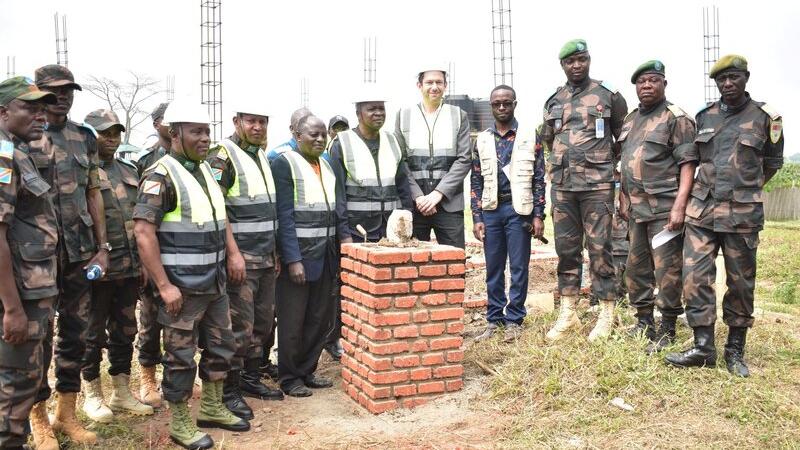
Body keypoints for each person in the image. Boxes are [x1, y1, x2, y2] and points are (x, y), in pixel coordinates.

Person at [133, 100, 249, 449]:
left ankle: (212, 407)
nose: (205, 138)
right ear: (174, 133)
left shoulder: (205, 172)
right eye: (196, 131)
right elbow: (143, 232)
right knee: (180, 357)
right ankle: (181, 422)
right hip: (181, 287)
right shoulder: (160, 175)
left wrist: (233, 253)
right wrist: (164, 286)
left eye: (207, 131)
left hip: (214, 282)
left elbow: (220, 215)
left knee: (221, 346)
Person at [666, 55, 784, 377]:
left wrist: (744, 190)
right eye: (722, 79)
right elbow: (694, 160)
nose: (727, 84)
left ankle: (735, 350)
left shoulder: (765, 118)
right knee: (694, 278)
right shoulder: (705, 117)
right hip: (702, 213)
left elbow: (772, 164)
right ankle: (703, 346)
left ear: (746, 77)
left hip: (741, 216)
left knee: (741, 283)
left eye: (733, 77)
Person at [29, 64, 110, 446]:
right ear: (37, 92)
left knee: (76, 334)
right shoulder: (21, 135)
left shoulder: (84, 137)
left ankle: (66, 413)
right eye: (54, 91)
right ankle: (38, 418)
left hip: (78, 252)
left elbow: (93, 192)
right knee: (37, 338)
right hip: (36, 257)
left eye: (68, 90)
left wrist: (103, 247)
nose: (62, 97)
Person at [541, 40, 628, 342]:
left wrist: (603, 162)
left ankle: (606, 313)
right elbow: (550, 141)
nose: (576, 65)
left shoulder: (609, 95)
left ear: (589, 60)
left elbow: (624, 137)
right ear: (562, 65)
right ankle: (568, 313)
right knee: (566, 250)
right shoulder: (554, 100)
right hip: (563, 187)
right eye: (570, 61)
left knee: (600, 248)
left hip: (597, 186)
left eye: (581, 59)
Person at [207, 103, 284, 422]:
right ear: (236, 121)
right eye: (251, 121)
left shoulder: (260, 155)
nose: (257, 127)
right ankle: (229, 391)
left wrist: (275, 252)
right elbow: (217, 208)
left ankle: (252, 380)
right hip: (241, 260)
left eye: (263, 121)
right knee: (240, 327)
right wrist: (233, 253)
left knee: (263, 325)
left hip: (265, 258)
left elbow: (268, 210)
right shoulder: (222, 155)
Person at [617, 60, 697, 353]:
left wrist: (680, 206)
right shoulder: (629, 119)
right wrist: (622, 196)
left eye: (653, 80)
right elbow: (624, 163)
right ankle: (643, 322)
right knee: (635, 269)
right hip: (636, 212)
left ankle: (668, 327)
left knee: (668, 272)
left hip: (664, 210)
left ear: (664, 84)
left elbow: (688, 165)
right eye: (641, 82)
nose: (646, 86)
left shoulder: (677, 118)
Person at [327, 86, 412, 359]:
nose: (378, 113)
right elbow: (338, 193)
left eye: (381, 108)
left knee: (388, 285)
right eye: (371, 108)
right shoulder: (342, 143)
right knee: (349, 287)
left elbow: (403, 186)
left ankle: (384, 336)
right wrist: (344, 234)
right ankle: (340, 338)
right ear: (358, 113)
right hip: (357, 230)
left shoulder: (393, 142)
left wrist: (406, 221)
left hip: (390, 231)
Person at [80, 110, 154, 422]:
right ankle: (92, 393)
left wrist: (145, 262)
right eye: (103, 132)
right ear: (89, 135)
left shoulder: (128, 168)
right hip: (96, 269)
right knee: (91, 332)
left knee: (125, 329)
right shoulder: (82, 169)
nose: (111, 138)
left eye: (115, 132)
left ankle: (121, 390)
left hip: (129, 266)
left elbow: (140, 218)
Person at [0, 76, 59, 450]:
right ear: (4, 112)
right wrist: (12, 308)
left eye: (42, 109)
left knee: (26, 381)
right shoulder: (4, 158)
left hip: (33, 291)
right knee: (15, 388)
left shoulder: (19, 153)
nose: (40, 116)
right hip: (19, 296)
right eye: (30, 108)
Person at [271, 115, 348, 397]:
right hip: (300, 258)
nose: (318, 139)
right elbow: (284, 216)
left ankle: (307, 370)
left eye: (322, 135)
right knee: (293, 321)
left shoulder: (327, 164)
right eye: (312, 135)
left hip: (325, 255)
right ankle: (289, 377)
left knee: (320, 318)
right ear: (297, 135)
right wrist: (292, 260)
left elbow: (337, 209)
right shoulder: (284, 163)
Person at [471, 85, 546, 343]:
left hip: (519, 212)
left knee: (518, 267)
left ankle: (515, 318)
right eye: (497, 104)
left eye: (506, 103)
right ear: (491, 106)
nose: (502, 107)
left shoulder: (528, 135)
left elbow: (539, 177)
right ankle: (494, 319)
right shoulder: (482, 139)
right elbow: (476, 180)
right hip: (491, 211)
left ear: (515, 104)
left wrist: (539, 215)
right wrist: (477, 217)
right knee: (493, 268)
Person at [395, 66, 471, 248]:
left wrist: (438, 194)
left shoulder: (459, 116)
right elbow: (400, 160)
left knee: (453, 259)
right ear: (419, 85)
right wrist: (419, 197)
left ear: (445, 86)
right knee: (414, 263)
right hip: (416, 205)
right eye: (429, 82)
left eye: (439, 82)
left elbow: (464, 159)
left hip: (448, 204)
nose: (434, 87)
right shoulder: (404, 116)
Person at [135, 103, 170, 407]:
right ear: (158, 124)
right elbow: (138, 219)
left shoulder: (194, 163)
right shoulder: (147, 162)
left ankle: (176, 378)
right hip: (153, 254)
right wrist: (143, 261)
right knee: (150, 322)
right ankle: (148, 378)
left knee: (183, 323)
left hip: (183, 256)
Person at [135, 102, 170, 174]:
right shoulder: (144, 160)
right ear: (156, 125)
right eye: (168, 118)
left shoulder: (189, 152)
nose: (174, 122)